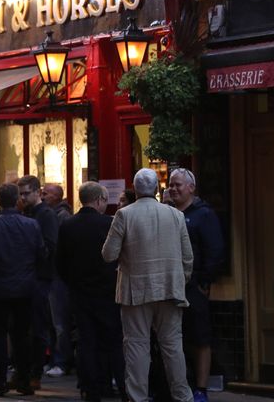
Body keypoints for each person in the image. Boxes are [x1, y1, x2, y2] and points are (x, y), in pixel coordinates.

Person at [102, 168, 194, 402]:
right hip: (170, 288)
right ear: (155, 189)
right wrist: (180, 280)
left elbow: (108, 254)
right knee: (173, 347)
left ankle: (138, 397)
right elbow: (187, 257)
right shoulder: (176, 215)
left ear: (134, 188)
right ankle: (183, 397)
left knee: (136, 347)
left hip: (136, 291)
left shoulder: (124, 215)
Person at [56, 182, 125, 402]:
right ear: (98, 200)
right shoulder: (109, 223)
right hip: (108, 292)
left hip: (80, 293)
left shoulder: (68, 225)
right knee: (113, 342)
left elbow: (60, 262)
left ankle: (90, 388)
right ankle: (120, 386)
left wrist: (73, 283)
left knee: (87, 341)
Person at [0, 183, 43, 397]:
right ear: (17, 200)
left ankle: (1, 381)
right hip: (25, 287)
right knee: (22, 335)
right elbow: (41, 254)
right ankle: (24, 380)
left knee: (0, 334)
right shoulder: (31, 225)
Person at [168, 168, 225, 402]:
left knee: (200, 337)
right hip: (171, 286)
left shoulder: (203, 214)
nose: (173, 188)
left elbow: (215, 249)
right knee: (174, 339)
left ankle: (201, 389)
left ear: (191, 188)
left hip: (194, 287)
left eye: (178, 184)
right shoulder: (167, 213)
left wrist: (204, 280)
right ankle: (179, 386)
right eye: (171, 184)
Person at [17, 175, 58, 389]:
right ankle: (25, 370)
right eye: (20, 194)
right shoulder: (26, 212)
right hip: (25, 277)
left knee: (38, 327)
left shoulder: (46, 215)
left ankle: (36, 372)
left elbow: (51, 247)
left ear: (37, 192)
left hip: (40, 277)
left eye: (26, 193)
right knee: (24, 327)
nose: (23, 197)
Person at [41, 183, 74, 378]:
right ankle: (54, 358)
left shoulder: (61, 217)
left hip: (58, 276)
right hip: (52, 275)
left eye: (46, 193)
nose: (43, 196)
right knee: (52, 322)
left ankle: (61, 361)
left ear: (56, 196)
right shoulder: (52, 215)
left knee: (59, 322)